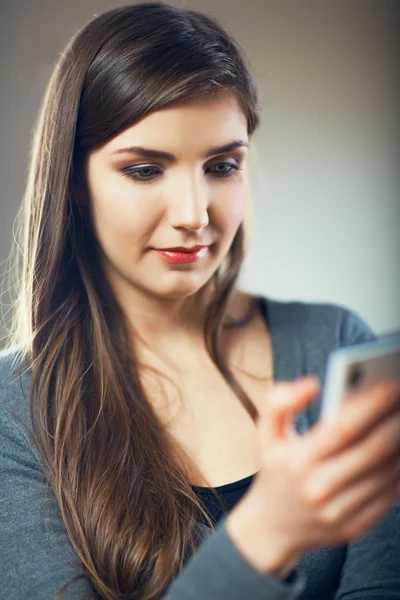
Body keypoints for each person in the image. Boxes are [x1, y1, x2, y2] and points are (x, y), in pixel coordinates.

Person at [0, 3, 399, 599]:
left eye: (222, 166)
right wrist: (265, 535)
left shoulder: (338, 345)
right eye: (144, 170)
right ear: (75, 185)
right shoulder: (15, 413)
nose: (194, 215)